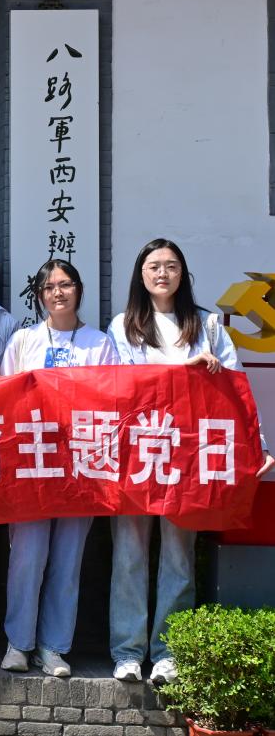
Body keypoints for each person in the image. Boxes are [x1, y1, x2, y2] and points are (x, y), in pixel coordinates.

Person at [107, 239, 274, 685]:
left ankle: (167, 653)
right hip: (140, 453)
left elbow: (236, 392)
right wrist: (183, 372)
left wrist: (255, 446)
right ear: (141, 275)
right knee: (129, 553)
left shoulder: (209, 326)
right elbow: (120, 386)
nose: (162, 273)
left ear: (183, 274)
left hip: (189, 458)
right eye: (153, 266)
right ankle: (127, 651)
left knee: (178, 555)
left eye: (171, 266)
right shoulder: (123, 326)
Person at [0, 259, 119, 677]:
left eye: (66, 284)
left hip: (80, 467)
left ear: (79, 289)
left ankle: (53, 647)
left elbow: (113, 401)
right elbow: (3, 399)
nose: (58, 292)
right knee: (26, 558)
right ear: (39, 295)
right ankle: (18, 643)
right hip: (31, 464)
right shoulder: (23, 340)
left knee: (68, 561)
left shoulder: (100, 343)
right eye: (49, 287)